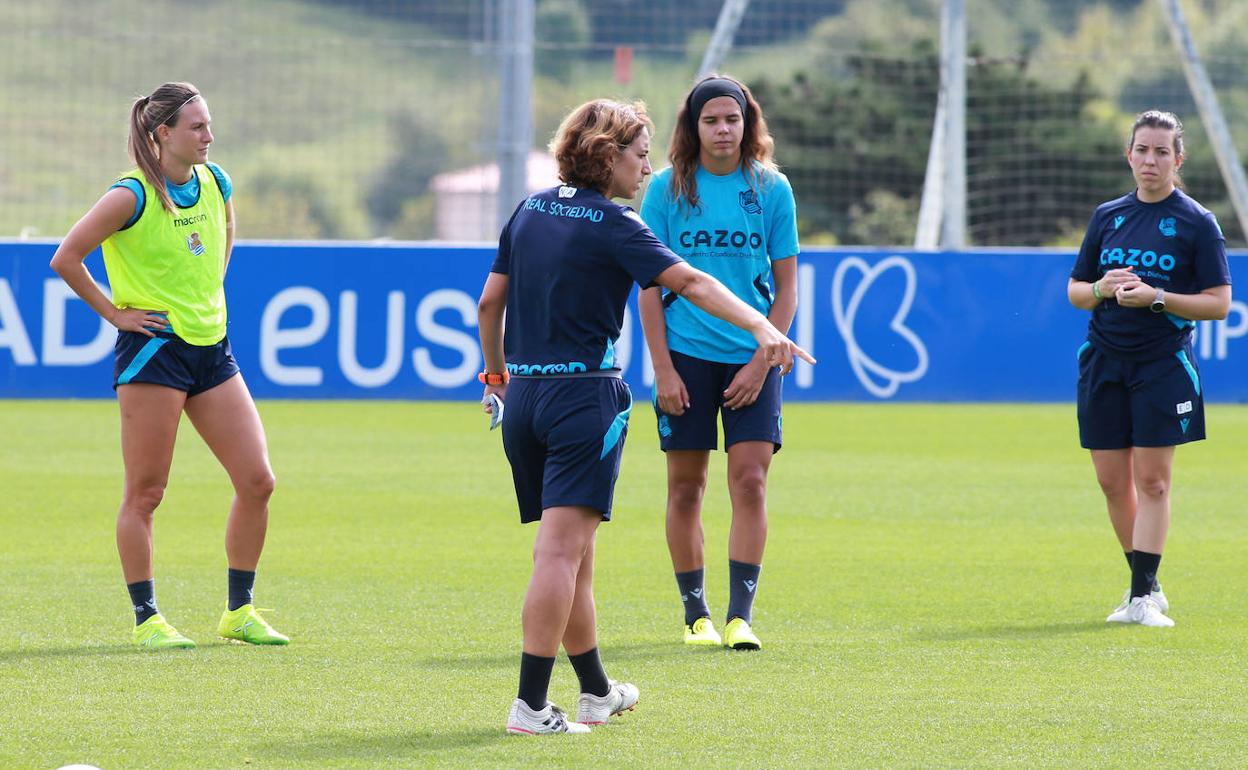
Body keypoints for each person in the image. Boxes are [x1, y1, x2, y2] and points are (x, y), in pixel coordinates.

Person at [477, 98, 813, 735]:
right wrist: (762, 325)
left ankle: (596, 691)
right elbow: (692, 284)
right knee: (560, 554)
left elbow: (490, 304)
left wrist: (495, 378)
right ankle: (530, 707)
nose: (646, 168)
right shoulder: (615, 223)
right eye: (639, 155)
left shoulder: (528, 209)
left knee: (575, 554)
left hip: (524, 400)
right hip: (583, 401)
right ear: (608, 157)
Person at [50, 82, 287, 649]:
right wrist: (117, 314)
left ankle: (239, 612)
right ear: (164, 133)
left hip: (212, 349)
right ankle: (147, 618)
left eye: (209, 124)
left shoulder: (216, 181)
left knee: (258, 481)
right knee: (147, 493)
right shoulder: (129, 195)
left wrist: (210, 286)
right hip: (155, 352)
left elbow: (225, 230)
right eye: (197, 127)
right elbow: (67, 257)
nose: (209, 136)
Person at [637, 75, 799, 651]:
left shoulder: (772, 188)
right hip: (685, 358)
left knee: (750, 481)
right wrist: (663, 369)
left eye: (732, 119)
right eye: (711, 120)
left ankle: (739, 618)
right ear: (694, 126)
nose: (723, 129)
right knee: (686, 487)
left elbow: (787, 290)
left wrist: (762, 360)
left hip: (753, 360)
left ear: (747, 124)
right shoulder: (666, 188)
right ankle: (696, 617)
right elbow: (650, 288)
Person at [1068, 109, 1231, 628]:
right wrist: (1102, 288)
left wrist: (1157, 297)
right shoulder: (1107, 216)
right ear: (1129, 155)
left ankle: (1139, 597)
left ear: (1178, 159)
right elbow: (1076, 291)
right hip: (1104, 360)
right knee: (1112, 481)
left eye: (1162, 151)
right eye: (1142, 150)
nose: (1150, 160)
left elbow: (1218, 304)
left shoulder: (1197, 222)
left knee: (1153, 481)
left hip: (1162, 364)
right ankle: (1149, 583)